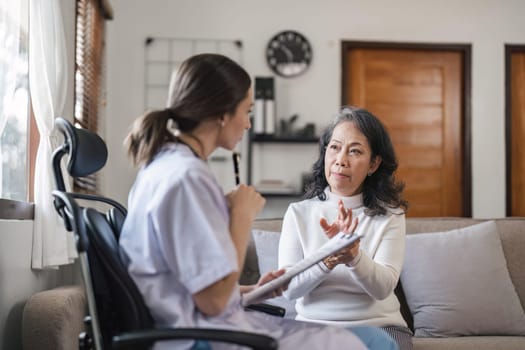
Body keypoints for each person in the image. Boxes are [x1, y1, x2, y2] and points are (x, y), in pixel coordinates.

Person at [119, 54, 397, 350]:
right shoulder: (188, 178)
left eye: (354, 152)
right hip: (198, 338)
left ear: (373, 163)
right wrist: (241, 216)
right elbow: (212, 302)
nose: (249, 124)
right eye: (247, 110)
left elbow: (191, 287)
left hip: (196, 327)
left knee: (378, 340)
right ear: (223, 113)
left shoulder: (165, 168)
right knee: (376, 345)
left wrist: (253, 291)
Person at [278, 106, 412, 350]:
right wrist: (328, 258)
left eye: (355, 151)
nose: (341, 160)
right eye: (335, 147)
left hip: (379, 326)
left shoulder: (390, 216)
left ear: (373, 164)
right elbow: (289, 288)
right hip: (313, 325)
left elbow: (382, 288)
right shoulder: (298, 213)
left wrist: (353, 256)